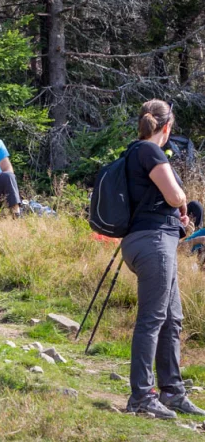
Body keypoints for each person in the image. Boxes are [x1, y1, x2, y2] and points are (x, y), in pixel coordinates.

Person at [120, 99, 205, 419]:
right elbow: (174, 195)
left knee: (171, 318)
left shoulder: (133, 152)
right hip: (154, 243)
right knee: (153, 319)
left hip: (146, 241)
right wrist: (182, 201)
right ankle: (141, 396)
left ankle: (172, 392)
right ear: (166, 127)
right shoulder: (150, 151)